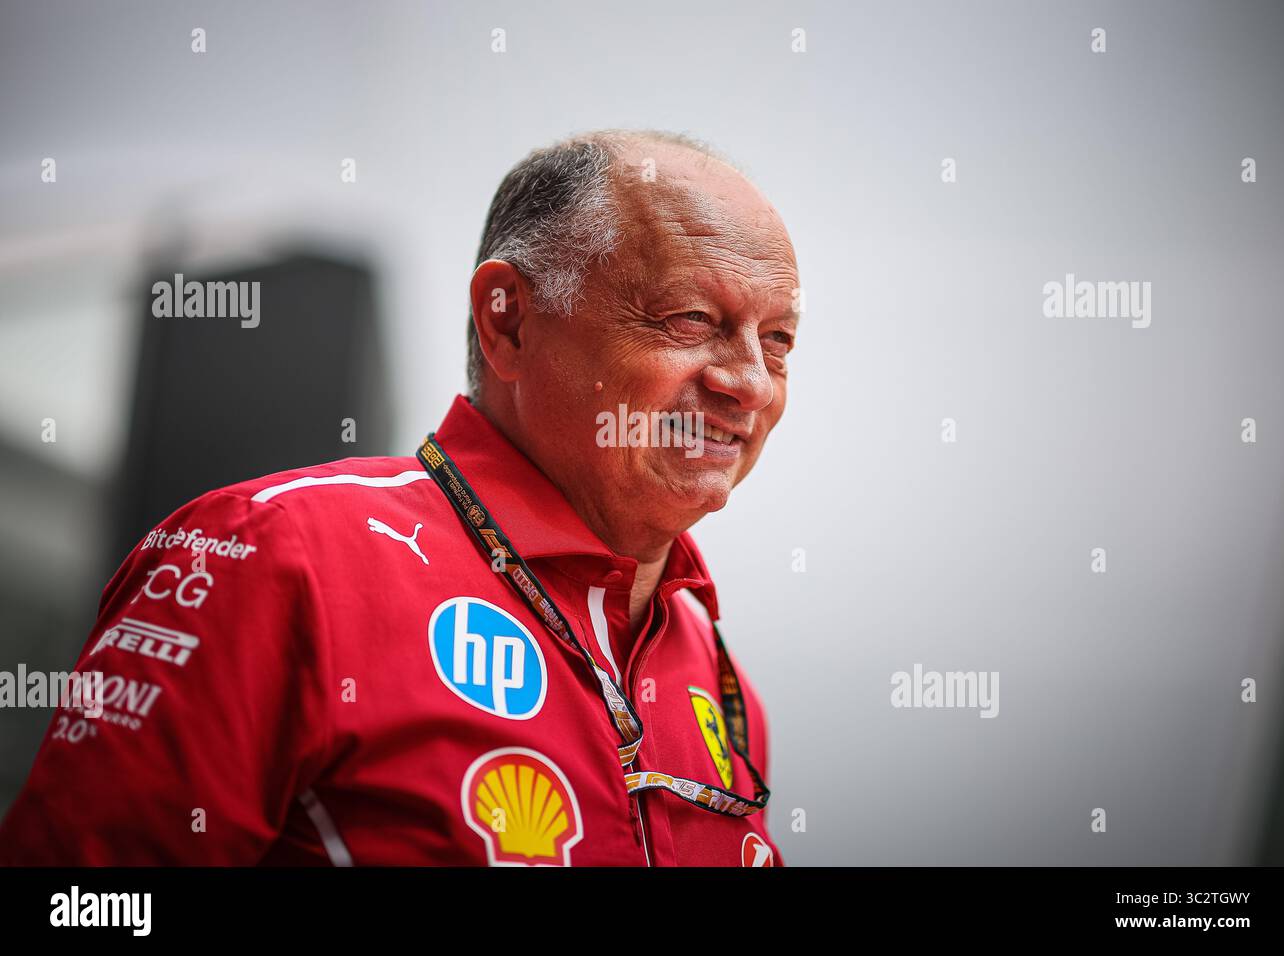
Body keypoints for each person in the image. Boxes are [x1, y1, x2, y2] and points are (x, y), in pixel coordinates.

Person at [0, 129, 800, 866]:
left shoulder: (716, 671)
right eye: (692, 318)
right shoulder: (271, 553)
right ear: (509, 321)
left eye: (778, 340)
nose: (748, 383)